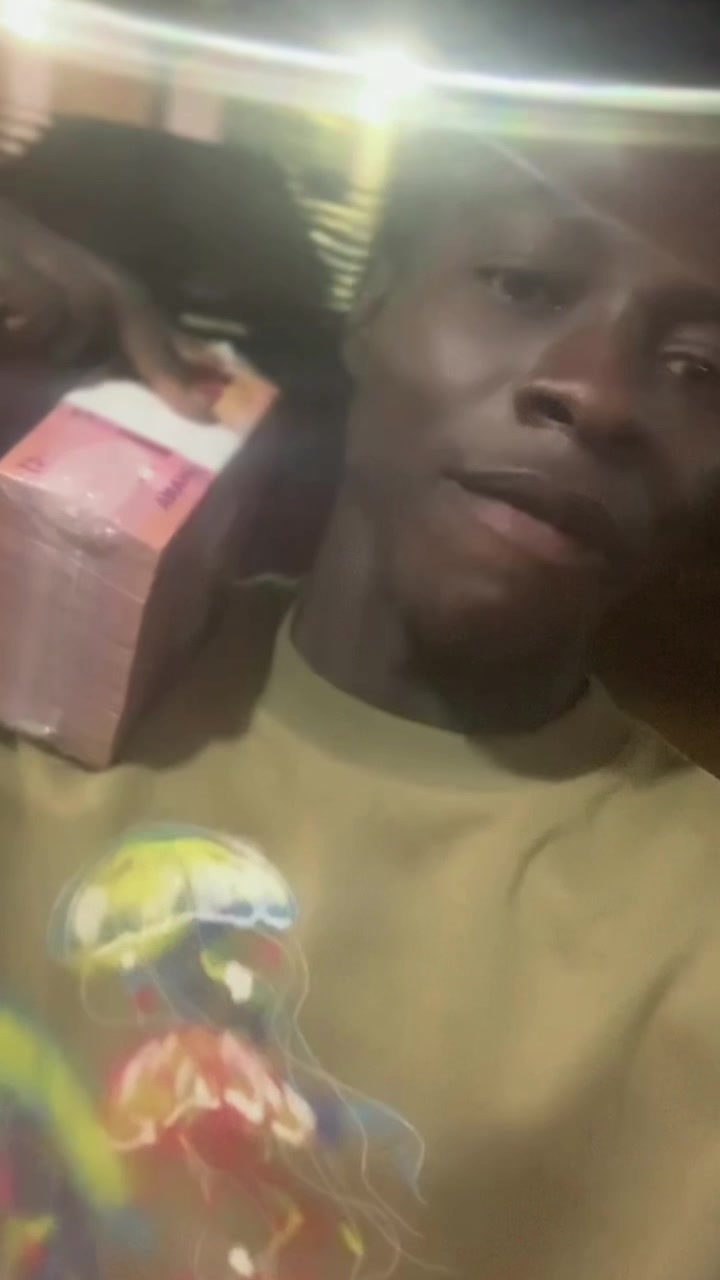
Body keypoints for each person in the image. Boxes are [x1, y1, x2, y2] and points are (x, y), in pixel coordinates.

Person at [3, 126, 720, 1280]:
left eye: (701, 368)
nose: (596, 394)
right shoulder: (53, 661)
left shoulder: (691, 919)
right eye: (525, 285)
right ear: (375, 299)